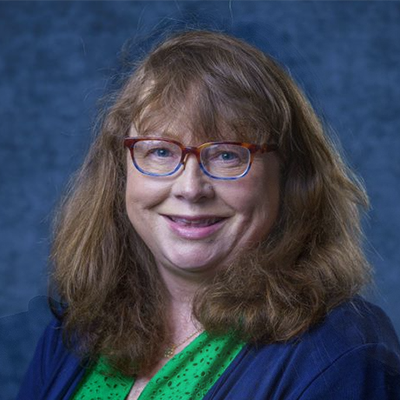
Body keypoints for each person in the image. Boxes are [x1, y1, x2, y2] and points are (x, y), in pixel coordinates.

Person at [17, 30, 400, 400]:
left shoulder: (343, 353)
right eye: (161, 151)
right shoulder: (77, 331)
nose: (190, 188)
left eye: (227, 154)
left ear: (289, 175)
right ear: (120, 171)